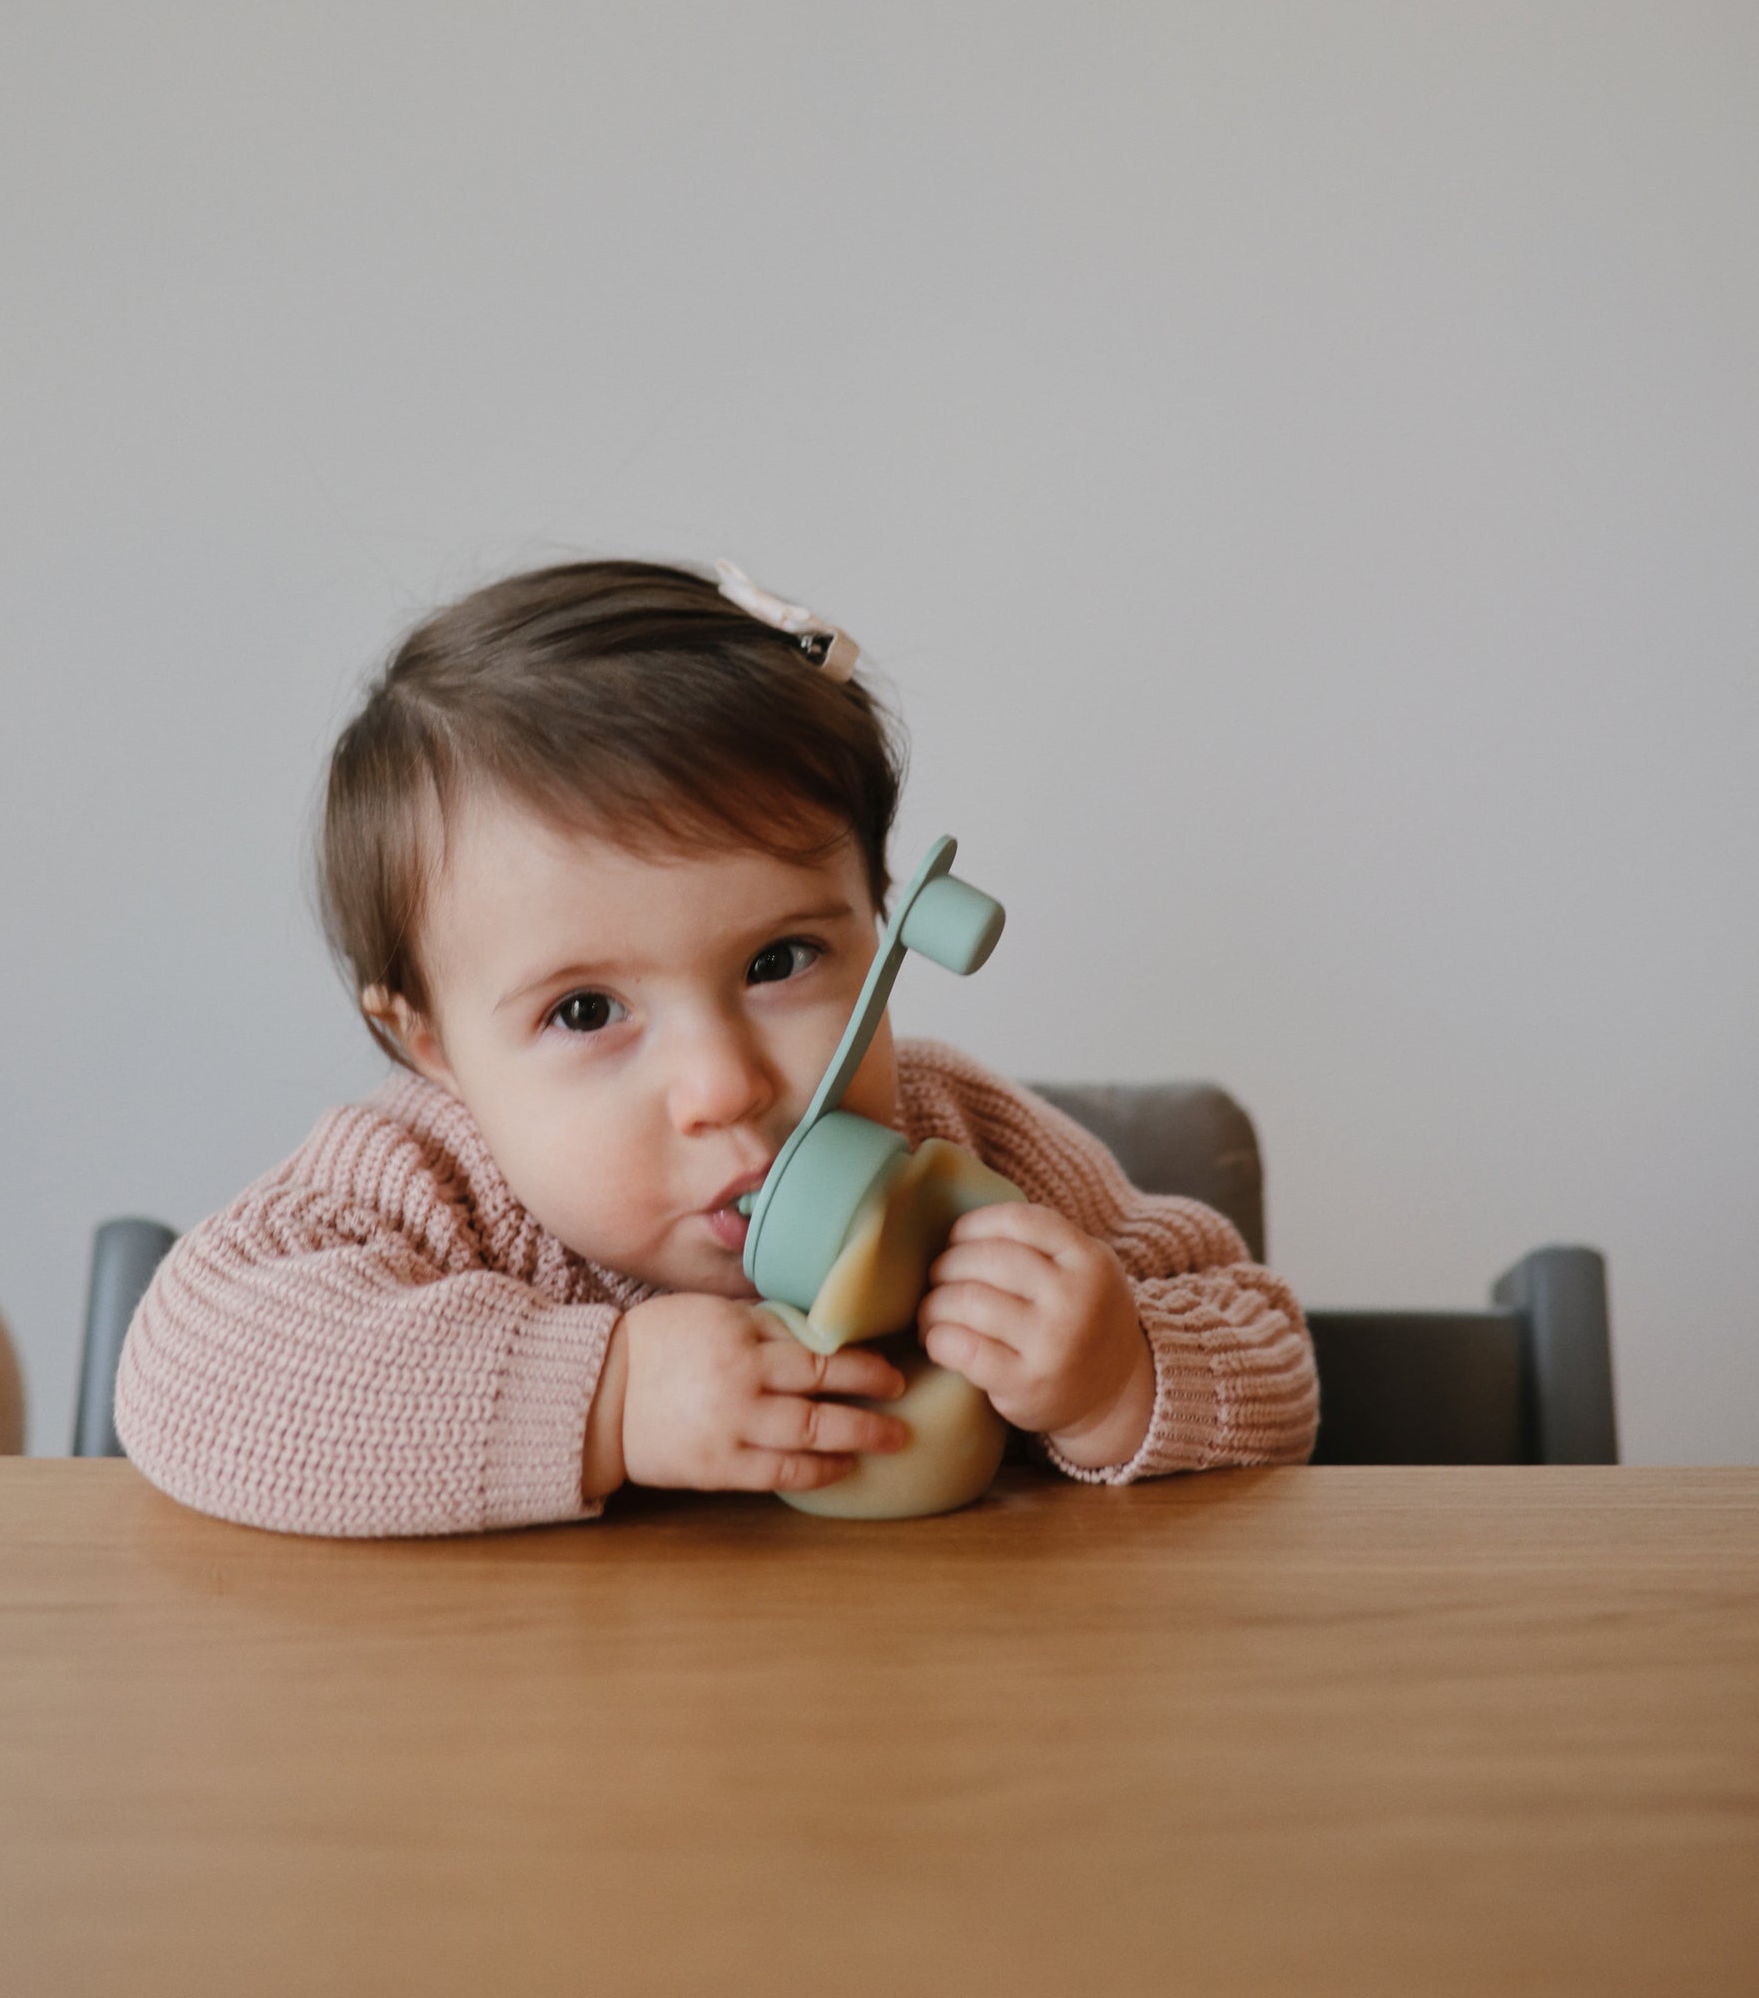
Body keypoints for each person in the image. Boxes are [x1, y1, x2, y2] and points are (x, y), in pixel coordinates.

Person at [114, 557, 1319, 1535]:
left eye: (779, 960)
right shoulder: (429, 1185)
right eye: (585, 1011)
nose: (724, 1085)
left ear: (880, 917)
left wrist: (1118, 1374)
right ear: (427, 1043)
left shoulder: (964, 1145)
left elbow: (1266, 1345)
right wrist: (603, 1396)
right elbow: (188, 1379)